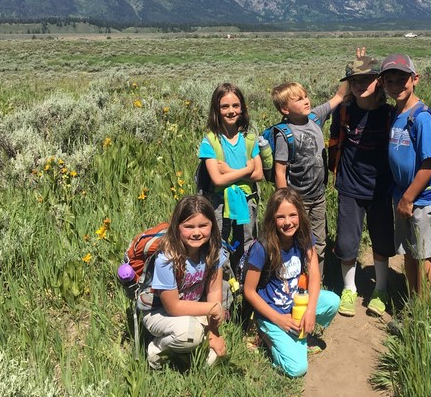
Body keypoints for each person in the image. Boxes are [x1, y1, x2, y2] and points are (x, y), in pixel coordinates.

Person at [242, 188, 340, 378]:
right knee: (297, 369)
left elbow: (313, 273)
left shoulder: (304, 236)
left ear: (300, 215)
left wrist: (310, 311)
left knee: (333, 301)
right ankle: (265, 335)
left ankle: (302, 333)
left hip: (296, 303)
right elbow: (249, 291)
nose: (288, 222)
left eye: (293, 215)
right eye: (281, 217)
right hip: (272, 312)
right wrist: (279, 319)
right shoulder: (262, 247)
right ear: (272, 218)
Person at [328, 50, 395, 317]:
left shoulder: (390, 114)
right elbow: (334, 141)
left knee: (381, 241)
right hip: (349, 186)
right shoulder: (343, 112)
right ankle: (349, 289)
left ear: (379, 81)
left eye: (366, 79)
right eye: (354, 80)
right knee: (346, 242)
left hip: (380, 188)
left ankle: (381, 288)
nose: (359, 85)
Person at [379, 53, 431, 295]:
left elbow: (429, 163)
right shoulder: (396, 114)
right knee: (408, 250)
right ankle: (412, 299)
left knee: (424, 254)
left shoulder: (421, 117)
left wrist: (409, 197)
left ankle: (423, 309)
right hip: (403, 195)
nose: (396, 86)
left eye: (401, 80)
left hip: (421, 197)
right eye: (390, 82)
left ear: (415, 79)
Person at [142, 195, 227, 369]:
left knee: (211, 361)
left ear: (212, 225)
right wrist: (212, 309)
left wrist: (214, 333)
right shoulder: (166, 259)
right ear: (177, 227)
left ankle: (184, 352)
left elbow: (213, 294)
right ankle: (157, 351)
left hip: (192, 310)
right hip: (158, 312)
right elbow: (172, 306)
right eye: (189, 227)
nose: (197, 232)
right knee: (190, 333)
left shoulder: (214, 252)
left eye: (203, 225)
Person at [270, 81, 346, 277]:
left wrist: (353, 70)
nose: (306, 101)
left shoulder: (315, 118)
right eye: (299, 99)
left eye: (306, 96)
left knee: (319, 241)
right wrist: (285, 201)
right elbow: (280, 171)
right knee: (297, 241)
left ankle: (316, 283)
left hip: (318, 198)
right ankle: (296, 281)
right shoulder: (284, 135)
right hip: (297, 201)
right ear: (285, 109)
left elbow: (338, 97)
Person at [199, 83, 263, 265]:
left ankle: (245, 280)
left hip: (247, 199)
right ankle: (223, 282)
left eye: (235, 105)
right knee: (219, 241)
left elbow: (258, 174)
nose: (231, 111)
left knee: (247, 241)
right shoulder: (210, 141)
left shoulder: (249, 138)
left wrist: (229, 171)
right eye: (225, 106)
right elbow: (217, 180)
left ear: (242, 108)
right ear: (216, 110)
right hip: (219, 202)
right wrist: (246, 170)